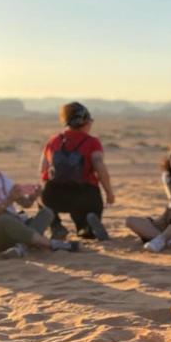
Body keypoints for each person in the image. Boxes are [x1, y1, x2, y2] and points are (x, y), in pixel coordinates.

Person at [0, 142, 78, 258]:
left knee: (47, 213)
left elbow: (25, 203)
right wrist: (8, 200)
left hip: (15, 226)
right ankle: (50, 244)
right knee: (4, 220)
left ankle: (21, 247)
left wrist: (33, 196)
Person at [40, 102, 115, 240]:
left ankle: (56, 226)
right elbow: (100, 168)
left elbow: (43, 170)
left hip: (55, 195)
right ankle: (87, 228)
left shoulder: (53, 141)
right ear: (85, 122)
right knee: (86, 210)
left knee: (42, 197)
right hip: (85, 195)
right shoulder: (92, 142)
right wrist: (109, 193)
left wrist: (48, 193)